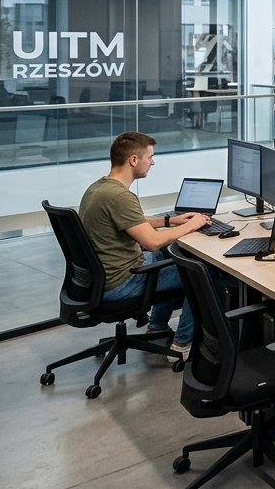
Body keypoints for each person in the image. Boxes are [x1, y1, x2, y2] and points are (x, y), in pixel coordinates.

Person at [80, 132, 211, 359]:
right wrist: (193, 225)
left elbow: (133, 221)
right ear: (133, 160)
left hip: (100, 278)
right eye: (149, 157)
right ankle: (182, 344)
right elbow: (152, 242)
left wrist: (171, 221)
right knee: (199, 272)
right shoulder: (119, 196)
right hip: (121, 283)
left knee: (167, 255)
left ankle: (157, 326)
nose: (152, 162)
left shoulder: (99, 188)